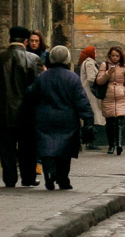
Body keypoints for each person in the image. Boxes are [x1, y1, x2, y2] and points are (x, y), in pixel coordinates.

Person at [26, 46, 95, 191]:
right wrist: (88, 119)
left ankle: (49, 174)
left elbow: (31, 95)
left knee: (46, 148)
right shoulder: (72, 78)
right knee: (65, 151)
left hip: (44, 117)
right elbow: (81, 100)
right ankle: (63, 179)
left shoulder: (42, 77)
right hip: (67, 118)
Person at [0, 25, 41, 188]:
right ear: (25, 41)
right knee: (28, 148)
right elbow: (37, 87)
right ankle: (28, 177)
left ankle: (9, 178)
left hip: (6, 112)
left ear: (9, 39)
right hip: (27, 113)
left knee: (7, 148)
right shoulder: (33, 59)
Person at [95, 45, 125, 155]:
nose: (115, 58)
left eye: (117, 56)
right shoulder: (104, 65)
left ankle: (119, 144)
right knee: (110, 122)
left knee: (120, 121)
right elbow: (99, 81)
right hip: (108, 96)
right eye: (113, 56)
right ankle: (111, 145)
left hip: (120, 96)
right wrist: (108, 73)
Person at [77, 46, 105, 149]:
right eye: (95, 52)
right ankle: (89, 142)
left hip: (88, 92)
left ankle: (89, 141)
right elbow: (91, 78)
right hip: (90, 92)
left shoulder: (88, 62)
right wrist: (101, 82)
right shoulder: (89, 63)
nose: (96, 54)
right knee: (91, 117)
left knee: (90, 117)